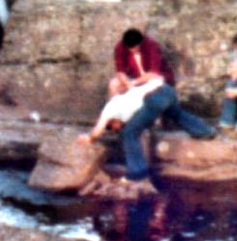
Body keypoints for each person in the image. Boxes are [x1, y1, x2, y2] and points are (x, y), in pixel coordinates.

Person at [76, 79, 215, 197]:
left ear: (112, 122)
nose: (117, 129)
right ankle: (205, 131)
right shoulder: (124, 101)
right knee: (176, 114)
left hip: (153, 98)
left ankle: (137, 173)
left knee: (129, 133)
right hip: (166, 90)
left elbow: (98, 129)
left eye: (114, 128)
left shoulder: (110, 108)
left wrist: (89, 138)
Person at [109, 27, 175, 97]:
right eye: (130, 48)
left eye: (135, 48)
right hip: (133, 78)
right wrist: (126, 83)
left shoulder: (151, 45)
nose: (132, 51)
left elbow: (154, 72)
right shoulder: (120, 47)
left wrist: (134, 82)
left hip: (151, 78)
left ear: (140, 43)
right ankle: (115, 106)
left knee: (156, 82)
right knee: (114, 84)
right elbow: (120, 71)